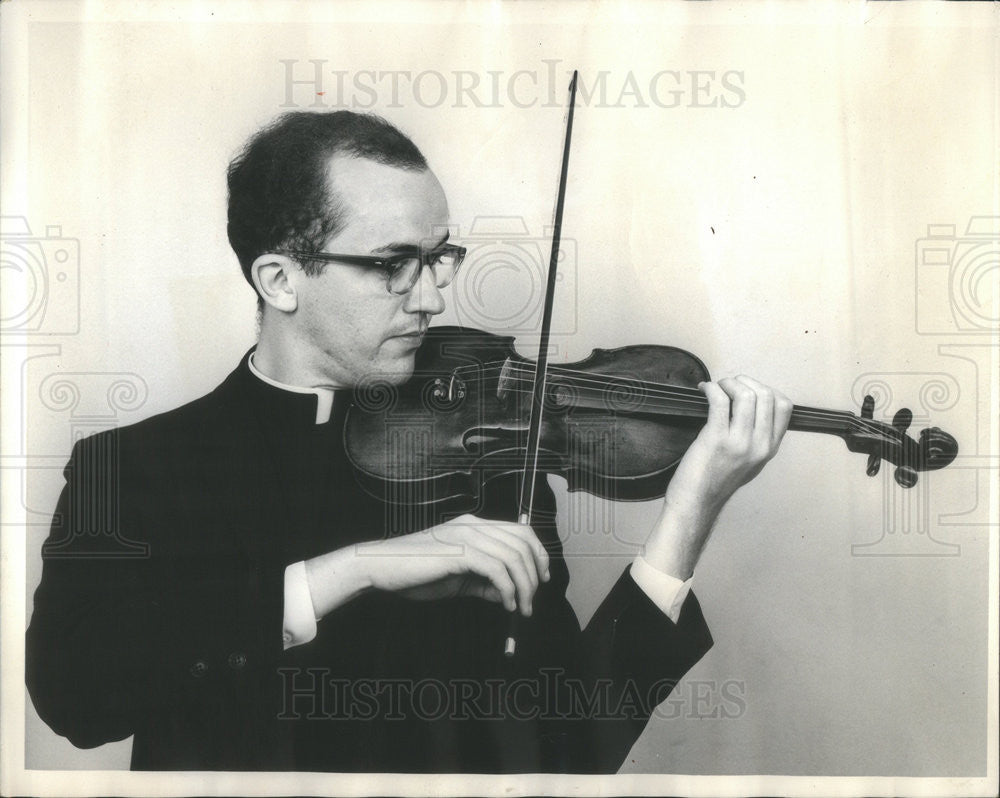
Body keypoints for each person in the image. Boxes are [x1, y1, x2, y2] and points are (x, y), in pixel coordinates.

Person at [26, 110, 792, 773]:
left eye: (437, 259)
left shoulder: (488, 464)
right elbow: (75, 698)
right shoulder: (133, 468)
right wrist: (349, 570)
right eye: (394, 265)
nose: (430, 299)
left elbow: (571, 748)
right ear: (279, 279)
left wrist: (686, 517)